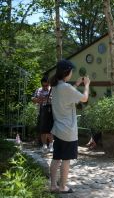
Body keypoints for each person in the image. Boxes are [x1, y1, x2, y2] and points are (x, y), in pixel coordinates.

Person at [49, 60, 90, 193]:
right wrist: (86, 85)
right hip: (68, 131)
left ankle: (54, 185)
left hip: (58, 129)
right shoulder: (65, 88)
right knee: (66, 160)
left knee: (56, 158)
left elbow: (68, 93)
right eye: (71, 70)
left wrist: (77, 83)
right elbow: (84, 98)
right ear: (67, 72)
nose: (72, 72)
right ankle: (62, 187)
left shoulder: (55, 87)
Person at [32, 76, 54, 152]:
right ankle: (44, 145)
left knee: (50, 129)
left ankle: (51, 145)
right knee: (42, 130)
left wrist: (50, 98)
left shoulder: (52, 90)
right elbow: (34, 101)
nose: (45, 87)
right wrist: (41, 98)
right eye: (43, 85)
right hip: (41, 112)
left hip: (50, 112)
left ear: (49, 84)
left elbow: (58, 101)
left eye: (46, 85)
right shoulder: (38, 91)